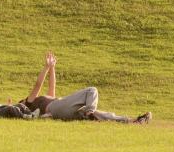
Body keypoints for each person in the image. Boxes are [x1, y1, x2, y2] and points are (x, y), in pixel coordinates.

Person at [18, 52, 152, 124]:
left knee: (103, 115)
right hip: (58, 109)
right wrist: (46, 67)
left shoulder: (44, 101)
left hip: (64, 111)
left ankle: (132, 121)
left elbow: (52, 87)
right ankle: (89, 113)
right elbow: (37, 85)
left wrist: (52, 68)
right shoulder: (29, 103)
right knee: (91, 91)